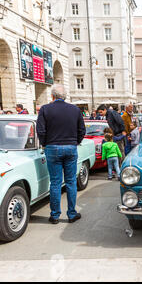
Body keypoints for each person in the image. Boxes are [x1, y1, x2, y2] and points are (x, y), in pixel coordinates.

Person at [36, 84, 85, 224]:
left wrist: (45, 144)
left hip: (52, 147)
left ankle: (55, 215)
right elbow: (82, 130)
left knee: (55, 183)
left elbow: (41, 130)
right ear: (65, 96)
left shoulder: (45, 109)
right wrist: (75, 142)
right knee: (70, 182)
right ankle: (71, 213)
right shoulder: (75, 109)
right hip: (70, 147)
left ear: (52, 96)